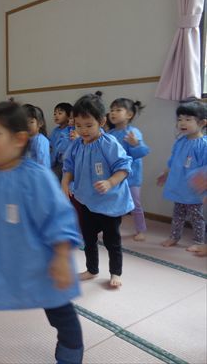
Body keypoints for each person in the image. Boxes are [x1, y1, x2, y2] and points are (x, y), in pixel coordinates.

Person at [0, 101, 84, 364]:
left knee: (60, 309)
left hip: (40, 264)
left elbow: (59, 219)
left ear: (20, 139)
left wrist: (61, 257)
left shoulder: (38, 177)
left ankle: (70, 353)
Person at [62, 93, 134, 288]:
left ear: (101, 122)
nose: (83, 130)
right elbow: (68, 167)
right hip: (86, 200)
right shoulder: (76, 145)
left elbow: (124, 167)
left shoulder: (108, 143)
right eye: (78, 125)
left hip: (110, 203)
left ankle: (115, 272)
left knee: (112, 241)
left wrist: (110, 182)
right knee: (88, 238)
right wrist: (65, 183)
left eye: (88, 125)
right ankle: (92, 269)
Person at [157, 100, 206, 252]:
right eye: (180, 119)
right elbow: (173, 161)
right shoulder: (180, 142)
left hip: (193, 190)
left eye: (188, 119)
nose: (182, 123)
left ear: (202, 123)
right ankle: (174, 237)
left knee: (196, 217)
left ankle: (199, 241)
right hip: (179, 186)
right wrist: (165, 173)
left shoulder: (203, 144)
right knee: (178, 214)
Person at [108, 98, 150, 241]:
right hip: (115, 176)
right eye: (111, 110)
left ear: (129, 115)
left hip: (132, 177)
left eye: (118, 110)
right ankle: (112, 228)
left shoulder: (133, 132)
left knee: (135, 205)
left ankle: (141, 230)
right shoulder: (110, 134)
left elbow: (143, 152)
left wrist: (135, 144)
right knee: (113, 203)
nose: (113, 113)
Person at [51, 103, 73, 179]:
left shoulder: (71, 130)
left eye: (60, 113)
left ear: (69, 116)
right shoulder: (55, 131)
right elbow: (52, 148)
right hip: (57, 162)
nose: (56, 116)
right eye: (55, 114)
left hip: (68, 163)